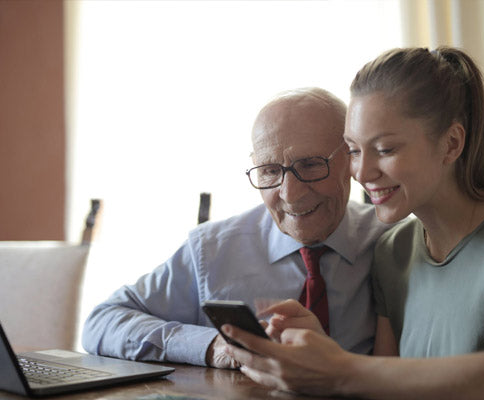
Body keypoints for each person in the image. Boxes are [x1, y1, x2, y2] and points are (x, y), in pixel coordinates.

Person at [223, 47, 484, 399]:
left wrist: (340, 369)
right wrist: (322, 354)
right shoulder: (393, 249)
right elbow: (388, 384)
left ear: (451, 143)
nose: (362, 172)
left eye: (385, 149)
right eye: (353, 150)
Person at [81, 87, 391, 368]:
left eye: (310, 165)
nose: (289, 194)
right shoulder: (212, 250)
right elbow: (101, 322)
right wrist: (210, 345)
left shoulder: (395, 244)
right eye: (270, 171)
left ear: (352, 159)